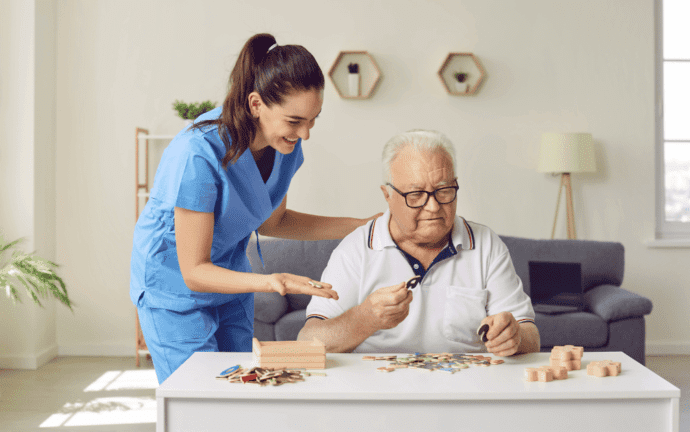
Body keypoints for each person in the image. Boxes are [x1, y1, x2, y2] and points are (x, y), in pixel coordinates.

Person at [130, 33, 379, 384]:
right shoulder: (196, 155)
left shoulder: (284, 147)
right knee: (200, 396)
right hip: (173, 287)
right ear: (256, 104)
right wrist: (272, 281)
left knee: (240, 389)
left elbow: (275, 221)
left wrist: (363, 225)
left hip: (230, 278)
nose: (305, 134)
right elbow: (194, 270)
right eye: (294, 121)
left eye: (313, 120)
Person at [298, 130, 540, 356]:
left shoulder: (486, 244)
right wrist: (365, 318)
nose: (433, 207)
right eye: (415, 195)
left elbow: (531, 336)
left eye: (444, 190)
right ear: (387, 196)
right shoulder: (356, 248)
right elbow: (308, 342)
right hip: (378, 393)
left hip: (464, 391)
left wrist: (515, 337)